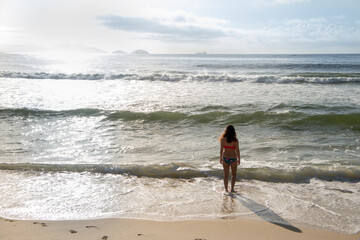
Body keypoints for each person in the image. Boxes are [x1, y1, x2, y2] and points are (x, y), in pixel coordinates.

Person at [219, 125, 240, 193]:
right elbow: (237, 151)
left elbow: (221, 150)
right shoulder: (235, 140)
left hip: (225, 158)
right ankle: (232, 189)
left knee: (226, 175)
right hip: (233, 158)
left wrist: (221, 158)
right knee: (233, 175)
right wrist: (239, 159)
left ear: (226, 131)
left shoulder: (223, 139)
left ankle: (226, 189)